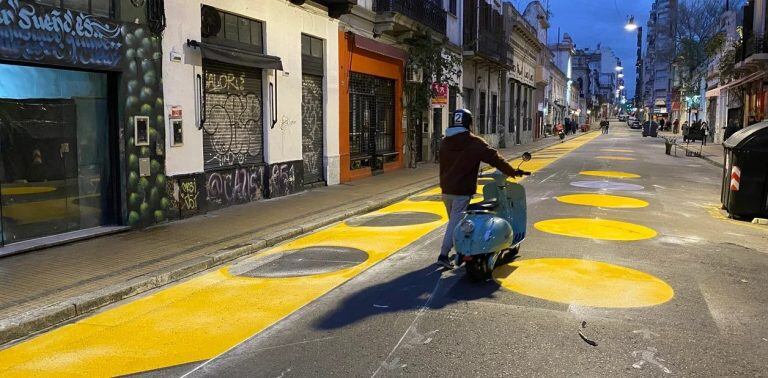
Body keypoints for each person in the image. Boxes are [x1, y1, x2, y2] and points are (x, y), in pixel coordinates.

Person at [438, 109, 523, 269]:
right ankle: (443, 255)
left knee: (454, 222)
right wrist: (512, 171)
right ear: (469, 124)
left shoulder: (444, 141)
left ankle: (461, 251)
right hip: (462, 190)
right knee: (455, 223)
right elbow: (494, 158)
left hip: (445, 189)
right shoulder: (474, 142)